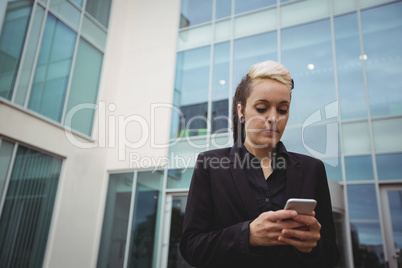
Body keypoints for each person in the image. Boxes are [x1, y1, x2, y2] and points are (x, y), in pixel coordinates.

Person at [179, 60, 339, 268]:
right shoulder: (210, 165)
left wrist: (314, 245)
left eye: (282, 110)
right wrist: (248, 235)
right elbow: (192, 247)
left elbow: (331, 255)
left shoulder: (312, 169)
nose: (273, 118)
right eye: (262, 108)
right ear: (241, 111)